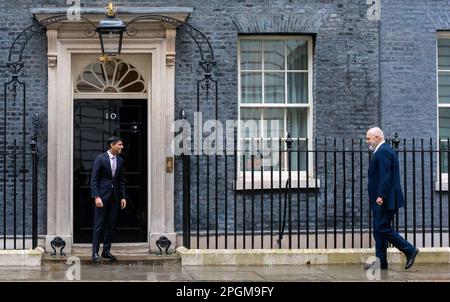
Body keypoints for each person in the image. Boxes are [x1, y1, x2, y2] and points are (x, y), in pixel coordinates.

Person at [365, 127, 419, 270]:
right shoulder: (383, 150)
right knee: (378, 230)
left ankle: (409, 249)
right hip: (382, 199)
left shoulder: (383, 151)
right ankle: (381, 262)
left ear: (377, 137)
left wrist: (380, 195)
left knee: (382, 227)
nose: (367, 141)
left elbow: (385, 175)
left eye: (368, 138)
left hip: (384, 199)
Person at [90, 136, 127, 264]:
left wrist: (123, 197)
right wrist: (96, 196)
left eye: (122, 145)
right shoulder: (100, 159)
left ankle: (106, 251)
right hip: (101, 197)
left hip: (114, 198)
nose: (122, 147)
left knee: (111, 225)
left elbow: (121, 180)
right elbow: (94, 180)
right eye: (120, 144)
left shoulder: (120, 160)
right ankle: (95, 252)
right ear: (112, 145)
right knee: (98, 226)